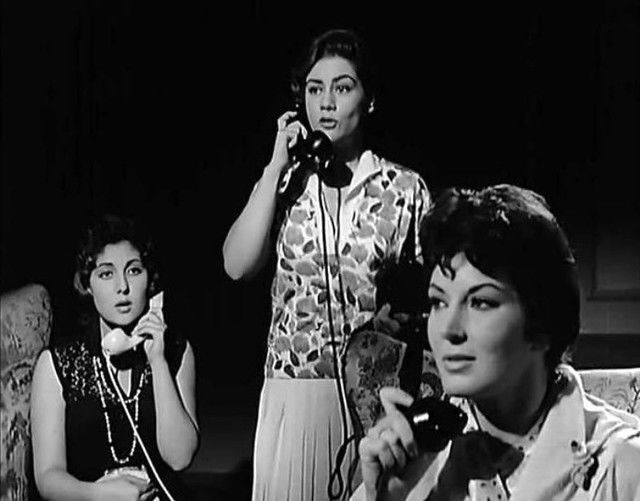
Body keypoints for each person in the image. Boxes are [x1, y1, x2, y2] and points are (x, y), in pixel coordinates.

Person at [223, 28, 431, 500]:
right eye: (315, 89)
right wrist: (274, 168)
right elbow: (236, 266)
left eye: (342, 87)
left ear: (369, 99)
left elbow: (428, 299)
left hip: (375, 394)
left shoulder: (404, 189)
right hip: (295, 391)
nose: (326, 103)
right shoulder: (286, 183)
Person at [354, 184, 640, 500]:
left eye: (481, 302)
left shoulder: (621, 465)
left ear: (543, 322)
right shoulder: (419, 461)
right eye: (438, 302)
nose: (449, 329)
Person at [31, 214, 199, 501]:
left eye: (134, 271)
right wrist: (99, 495)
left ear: (150, 279)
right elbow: (48, 477)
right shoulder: (58, 363)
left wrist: (158, 362)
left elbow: (180, 458)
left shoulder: (175, 351)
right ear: (87, 284)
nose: (123, 287)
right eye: (106, 274)